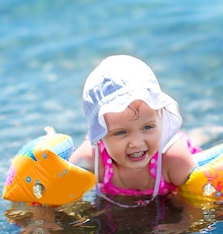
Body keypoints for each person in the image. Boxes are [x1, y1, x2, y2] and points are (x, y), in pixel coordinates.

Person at [69, 55, 201, 207]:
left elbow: (196, 205)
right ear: (99, 135)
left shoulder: (174, 160)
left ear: (161, 120)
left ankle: (203, 133)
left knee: (196, 139)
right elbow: (61, 186)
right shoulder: (93, 158)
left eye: (148, 127)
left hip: (174, 148)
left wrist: (180, 226)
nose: (137, 143)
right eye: (120, 132)